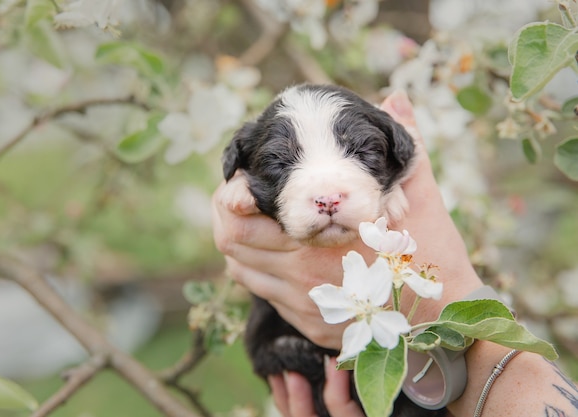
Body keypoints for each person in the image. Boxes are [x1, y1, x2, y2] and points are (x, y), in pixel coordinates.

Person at [211, 91, 578, 417]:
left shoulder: (400, 163)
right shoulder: (253, 173)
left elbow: (410, 158)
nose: (327, 196)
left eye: (363, 152)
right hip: (301, 363)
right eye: (278, 164)